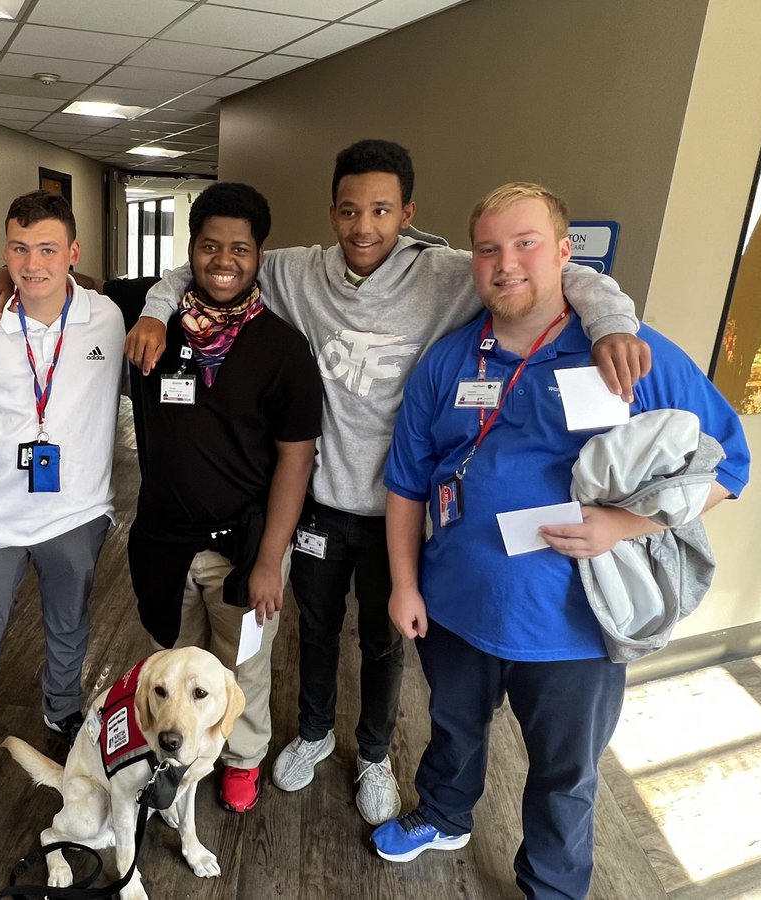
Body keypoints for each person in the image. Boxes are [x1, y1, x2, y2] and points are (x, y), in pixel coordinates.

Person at [126, 140, 650, 826]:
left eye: (380, 209)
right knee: (315, 630)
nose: (363, 226)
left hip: (399, 508)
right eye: (349, 210)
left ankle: (373, 751)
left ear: (408, 212)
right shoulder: (294, 271)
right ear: (333, 214)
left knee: (381, 639)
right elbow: (198, 266)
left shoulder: (452, 274)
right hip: (320, 502)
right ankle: (315, 734)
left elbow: (553, 272)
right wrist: (154, 308)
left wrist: (611, 321)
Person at [374, 182, 750, 899]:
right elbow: (406, 482)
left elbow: (730, 466)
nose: (505, 264)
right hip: (454, 607)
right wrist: (404, 583)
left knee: (564, 771)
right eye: (488, 249)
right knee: (453, 730)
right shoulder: (452, 360)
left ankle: (551, 885)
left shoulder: (628, 355)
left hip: (575, 625)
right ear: (472, 261)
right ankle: (447, 814)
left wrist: (623, 525)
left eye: (526, 244)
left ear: (564, 254)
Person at [124, 182, 323, 812]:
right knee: (171, 670)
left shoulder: (284, 349)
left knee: (244, 669)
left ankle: (243, 756)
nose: (223, 260)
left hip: (245, 546)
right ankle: (171, 756)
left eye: (239, 247)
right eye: (210, 245)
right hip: (165, 541)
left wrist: (271, 559)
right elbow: (62, 276)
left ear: (259, 254)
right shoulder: (152, 325)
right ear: (191, 249)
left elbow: (297, 458)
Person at [0, 191, 123, 785]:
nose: (33, 263)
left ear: (74, 251)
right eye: (18, 249)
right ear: (4, 252)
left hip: (75, 510)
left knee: (69, 624)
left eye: (47, 249)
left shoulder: (108, 317)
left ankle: (62, 710)